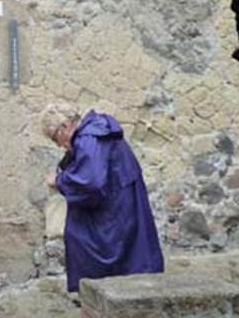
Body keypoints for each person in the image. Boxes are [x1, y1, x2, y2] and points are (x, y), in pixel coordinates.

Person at [42, 105, 164, 292]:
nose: (58, 144)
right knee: (132, 260)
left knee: (84, 245)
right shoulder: (98, 133)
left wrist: (59, 181)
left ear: (65, 126)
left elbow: (91, 181)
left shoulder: (89, 139)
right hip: (124, 206)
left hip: (113, 212)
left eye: (55, 137)